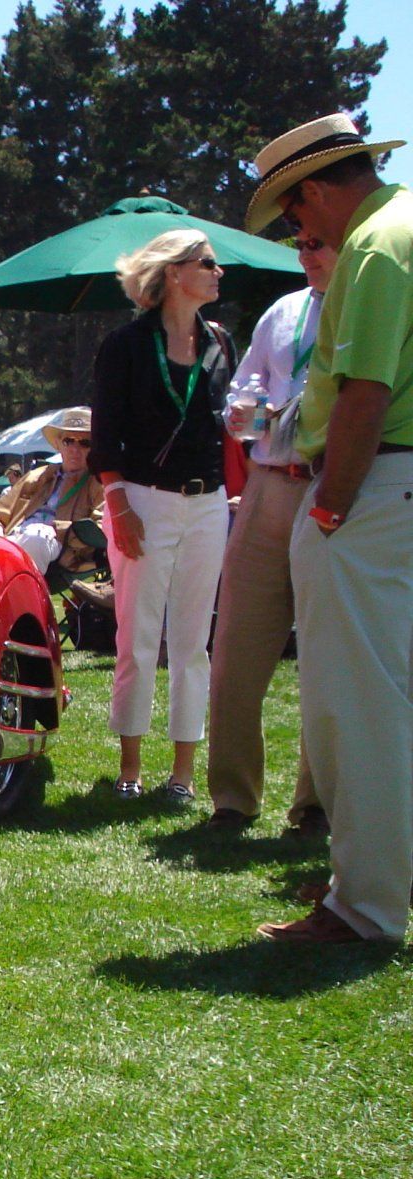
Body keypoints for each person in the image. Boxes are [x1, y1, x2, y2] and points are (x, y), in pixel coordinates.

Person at [242, 113, 413, 945]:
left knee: (358, 705)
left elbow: (364, 393)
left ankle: (366, 906)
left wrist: (332, 505)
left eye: (293, 216)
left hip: (374, 490)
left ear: (313, 190)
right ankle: (373, 877)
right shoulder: (404, 229)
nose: (298, 233)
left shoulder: (375, 249)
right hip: (394, 487)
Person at [89, 228, 235, 805]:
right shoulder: (124, 345)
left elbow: (224, 424)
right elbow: (105, 439)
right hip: (142, 499)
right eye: (208, 263)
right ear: (175, 273)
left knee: (194, 642)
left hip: (208, 504)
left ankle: (183, 773)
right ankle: (130, 767)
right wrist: (118, 503)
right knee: (138, 635)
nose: (218, 272)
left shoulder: (221, 342)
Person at [203, 231, 339, 833]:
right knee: (234, 650)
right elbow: (245, 387)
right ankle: (232, 801)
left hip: (334, 487)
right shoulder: (284, 310)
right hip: (266, 487)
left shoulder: (378, 305)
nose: (308, 256)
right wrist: (242, 411)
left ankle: (315, 806)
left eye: (321, 245)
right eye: (302, 245)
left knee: (329, 657)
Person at [0, 408, 101, 573]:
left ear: (94, 448)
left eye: (84, 443)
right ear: (58, 444)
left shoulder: (98, 482)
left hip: (59, 546)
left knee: (35, 536)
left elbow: (100, 529)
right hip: (16, 533)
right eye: (68, 441)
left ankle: (22, 595)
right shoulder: (37, 476)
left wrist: (61, 529)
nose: (75, 448)